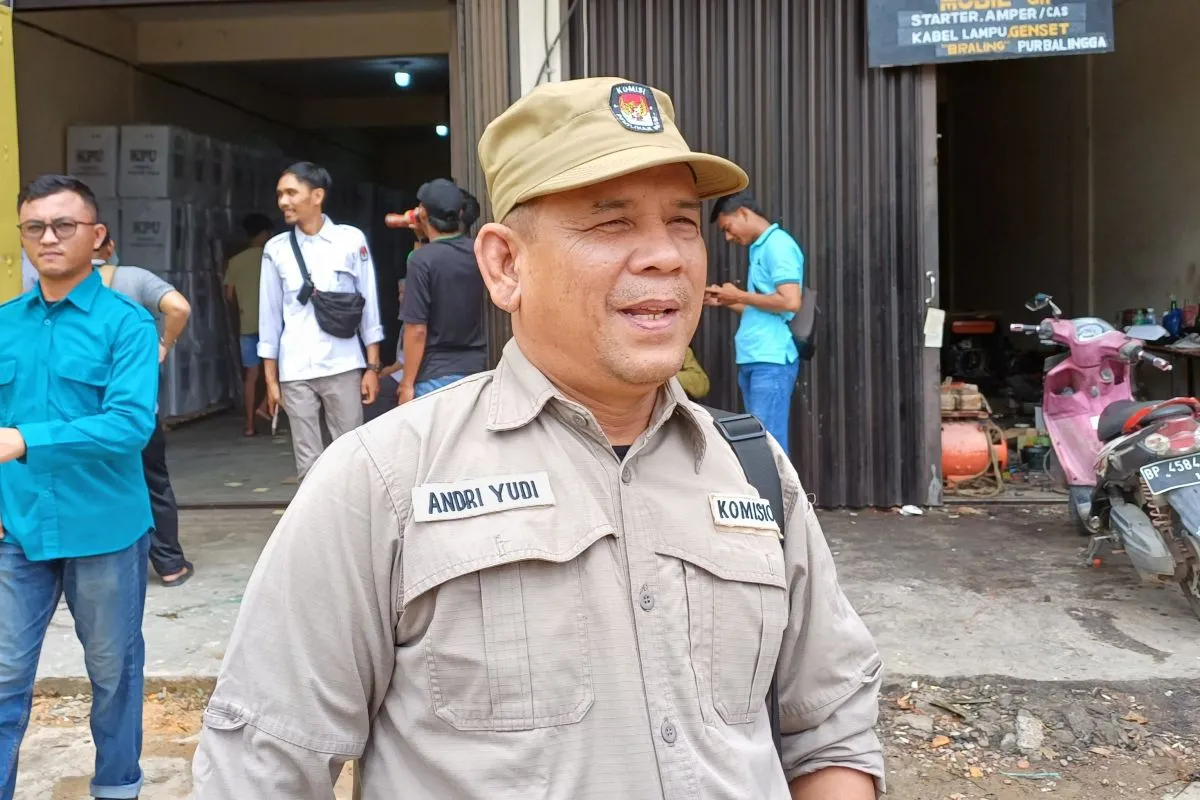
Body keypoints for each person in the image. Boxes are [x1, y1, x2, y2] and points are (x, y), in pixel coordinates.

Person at [191, 77, 883, 799]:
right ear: (505, 264)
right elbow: (259, 771)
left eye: (683, 222)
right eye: (612, 224)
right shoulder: (384, 479)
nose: (666, 256)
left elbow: (830, 725)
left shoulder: (753, 469)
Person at [0, 175, 159, 800]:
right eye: (35, 227)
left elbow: (129, 424)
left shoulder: (127, 324)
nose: (49, 238)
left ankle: (117, 787)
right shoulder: (6, 324)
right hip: (19, 529)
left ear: (96, 237)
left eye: (64, 225)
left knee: (112, 672)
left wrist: (27, 439)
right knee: (4, 674)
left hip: (105, 528)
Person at [258, 162, 385, 481]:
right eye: (280, 194)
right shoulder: (275, 250)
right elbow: (269, 318)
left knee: (352, 454)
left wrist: (372, 367)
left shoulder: (350, 240)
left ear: (317, 196)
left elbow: (368, 305)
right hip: (295, 370)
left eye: (291, 193)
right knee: (308, 462)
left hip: (343, 364)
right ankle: (314, 516)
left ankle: (355, 513)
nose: (283, 201)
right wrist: (271, 381)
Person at [93, 236, 195, 587]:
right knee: (153, 482)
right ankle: (170, 565)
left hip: (82, 417)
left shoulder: (56, 290)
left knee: (93, 484)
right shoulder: (133, 278)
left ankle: (103, 566)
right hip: (135, 411)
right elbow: (179, 307)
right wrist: (164, 344)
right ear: (107, 245)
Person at [705, 192, 805, 455]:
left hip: (770, 360)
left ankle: (777, 486)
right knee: (758, 441)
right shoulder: (760, 247)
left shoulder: (778, 245)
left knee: (768, 444)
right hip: (755, 357)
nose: (728, 237)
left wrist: (738, 295)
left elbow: (790, 301)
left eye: (728, 228)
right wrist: (725, 300)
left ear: (743, 214)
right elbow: (762, 310)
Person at [396, 178, 487, 403]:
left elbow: (416, 330)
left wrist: (407, 384)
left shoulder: (421, 260)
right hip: (475, 370)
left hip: (434, 376)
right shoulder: (478, 251)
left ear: (423, 214)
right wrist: (422, 236)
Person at [223, 213, 275, 436]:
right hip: (272, 325)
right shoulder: (272, 258)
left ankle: (249, 425)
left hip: (247, 325)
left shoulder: (235, 261)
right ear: (263, 234)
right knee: (281, 369)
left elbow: (229, 295)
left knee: (251, 376)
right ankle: (264, 406)